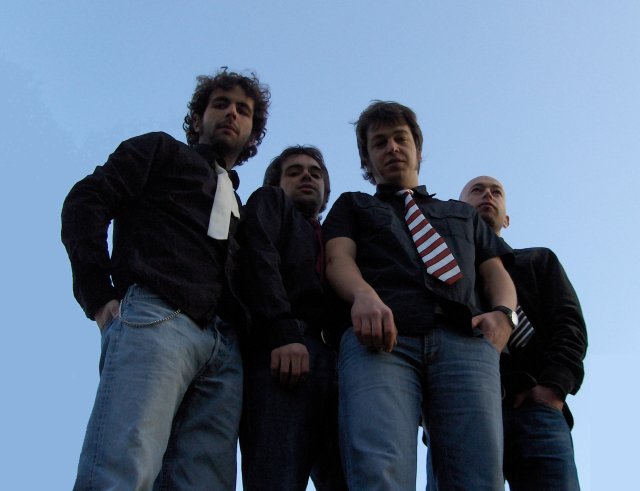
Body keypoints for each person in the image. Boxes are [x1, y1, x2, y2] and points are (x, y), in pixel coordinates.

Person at [61, 69, 270, 490]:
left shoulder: (241, 208)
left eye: (243, 110)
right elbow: (87, 199)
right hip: (158, 313)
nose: (232, 113)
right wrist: (97, 294)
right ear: (196, 118)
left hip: (224, 350)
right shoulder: (160, 150)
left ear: (252, 136)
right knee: (122, 468)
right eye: (221, 104)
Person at [322, 100, 518, 491]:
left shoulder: (462, 214)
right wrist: (363, 296)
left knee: (479, 476)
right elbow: (337, 258)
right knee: (380, 471)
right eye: (379, 143)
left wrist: (504, 314)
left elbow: (495, 271)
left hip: (464, 340)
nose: (392, 148)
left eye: (400, 139)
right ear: (367, 160)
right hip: (381, 339)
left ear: (418, 148)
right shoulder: (353, 205)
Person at [460, 175, 587, 491]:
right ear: (458, 212)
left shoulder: (538, 261)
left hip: (536, 407)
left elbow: (568, 324)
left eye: (496, 192)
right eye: (477, 190)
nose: (487, 195)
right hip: (461, 413)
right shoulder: (447, 274)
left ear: (506, 218)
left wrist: (553, 387)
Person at [237, 146, 347, 491]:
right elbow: (259, 259)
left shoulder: (335, 239)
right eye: (294, 171)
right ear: (277, 183)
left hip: (338, 361)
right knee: (277, 477)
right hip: (284, 352)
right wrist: (282, 331)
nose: (307, 176)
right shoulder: (271, 203)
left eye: (315, 172)